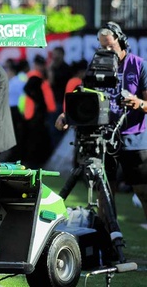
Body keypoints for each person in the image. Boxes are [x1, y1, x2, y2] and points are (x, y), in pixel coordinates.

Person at [55, 22, 147, 221]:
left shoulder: (139, 64)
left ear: (121, 42)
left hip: (135, 137)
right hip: (104, 138)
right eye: (102, 46)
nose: (106, 51)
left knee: (143, 191)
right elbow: (84, 99)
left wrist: (139, 103)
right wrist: (66, 116)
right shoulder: (96, 65)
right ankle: (108, 245)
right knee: (105, 193)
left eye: (110, 46)